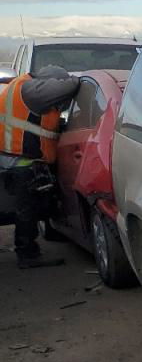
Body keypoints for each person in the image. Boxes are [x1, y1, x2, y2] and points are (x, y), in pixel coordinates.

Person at [0, 65, 81, 268]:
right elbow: (71, 85)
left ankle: (34, 246)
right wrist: (79, 78)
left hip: (13, 157)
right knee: (27, 210)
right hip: (23, 161)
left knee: (27, 208)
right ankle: (28, 255)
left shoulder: (17, 87)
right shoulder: (33, 91)